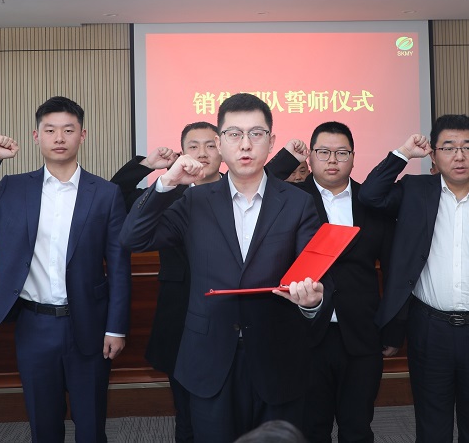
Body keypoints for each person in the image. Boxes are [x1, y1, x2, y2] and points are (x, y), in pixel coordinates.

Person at [120, 93, 324, 443]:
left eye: (256, 134)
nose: (245, 144)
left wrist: (312, 301)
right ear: (220, 142)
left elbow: (317, 275)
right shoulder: (193, 200)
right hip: (208, 357)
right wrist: (167, 182)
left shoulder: (298, 203)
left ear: (271, 141)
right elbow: (133, 238)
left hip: (276, 356)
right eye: (234, 134)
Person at [0, 96, 130, 443]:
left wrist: (116, 327)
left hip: (89, 324)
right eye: (50, 130)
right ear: (36, 137)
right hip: (34, 325)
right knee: (43, 425)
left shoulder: (106, 194)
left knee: (91, 424)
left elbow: (119, 267)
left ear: (83, 135)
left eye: (68, 130)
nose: (59, 138)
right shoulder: (14, 188)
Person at [359, 115, 469, 443]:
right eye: (448, 148)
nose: (459, 156)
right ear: (434, 156)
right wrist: (403, 153)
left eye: (467, 147)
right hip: (429, 329)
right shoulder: (414, 191)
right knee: (432, 426)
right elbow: (369, 195)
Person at [265, 123, 395, 443]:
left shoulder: (372, 201)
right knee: (310, 429)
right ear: (309, 157)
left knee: (357, 428)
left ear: (353, 157)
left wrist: (393, 329)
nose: (333, 160)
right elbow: (256, 184)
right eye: (323, 152)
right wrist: (285, 158)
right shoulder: (289, 198)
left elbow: (394, 270)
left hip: (362, 334)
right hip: (304, 334)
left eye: (341, 152)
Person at [110, 121, 223, 442]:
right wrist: (148, 166)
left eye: (210, 145)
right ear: (181, 153)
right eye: (193, 146)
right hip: (180, 313)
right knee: (185, 410)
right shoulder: (167, 194)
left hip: (228, 314)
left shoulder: (240, 192)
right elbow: (115, 195)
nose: (202, 153)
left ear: (224, 150)